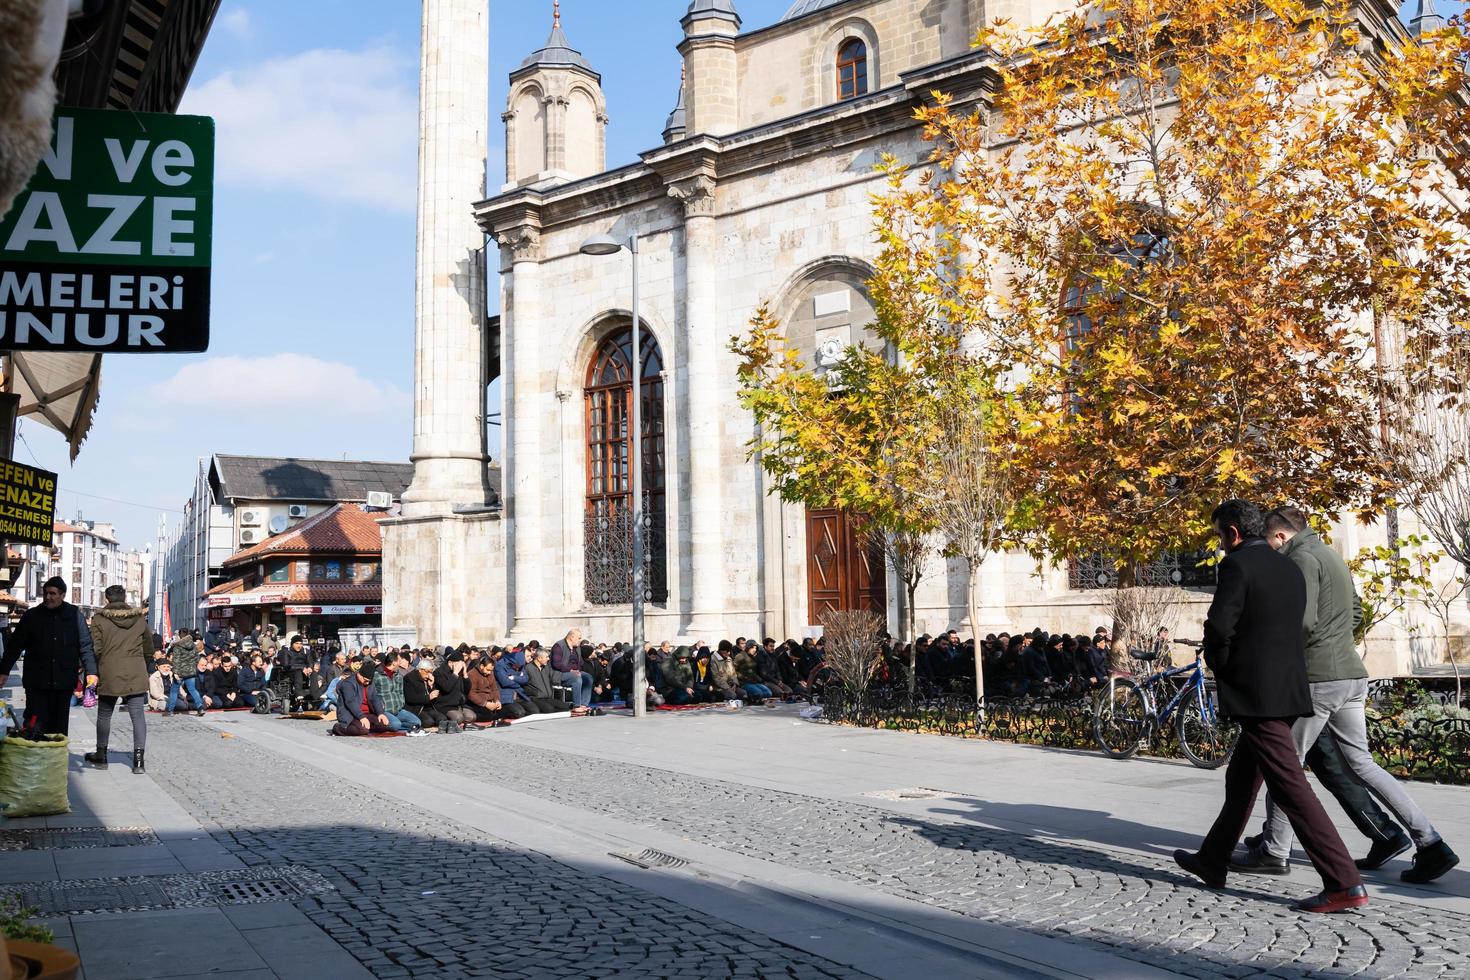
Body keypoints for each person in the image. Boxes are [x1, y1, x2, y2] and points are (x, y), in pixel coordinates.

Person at [1231, 506, 1458, 884]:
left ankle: (1274, 851)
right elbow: (1355, 610)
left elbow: (1300, 620)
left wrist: (1286, 654)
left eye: (1271, 544)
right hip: (1351, 673)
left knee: (1287, 767)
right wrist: (1337, 644)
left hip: (1320, 677)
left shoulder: (1301, 558)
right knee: (1362, 764)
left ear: (1281, 536)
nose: (1271, 551)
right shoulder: (1330, 555)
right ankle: (1432, 844)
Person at [1174, 500, 1367, 913]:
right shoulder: (1288, 565)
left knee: (1291, 786)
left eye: (1220, 536)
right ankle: (1213, 859)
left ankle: (1343, 882)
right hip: (1288, 688)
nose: (1220, 544)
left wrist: (1223, 668)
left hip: (1256, 693)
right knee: (1242, 777)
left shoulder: (1237, 566)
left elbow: (1220, 627)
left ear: (1233, 533)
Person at [0, 577, 98, 736]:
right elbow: (15, 646)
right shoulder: (32, 616)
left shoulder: (74, 615)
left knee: (59, 730)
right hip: (37, 682)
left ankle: (55, 760)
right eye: (46, 593)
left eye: (52, 593)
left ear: (63, 595)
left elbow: (85, 645)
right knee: (34, 727)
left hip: (63, 682)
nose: (48, 597)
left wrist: (92, 672)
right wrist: (4, 671)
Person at [83, 585, 152, 773]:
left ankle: (101, 756)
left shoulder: (99, 619)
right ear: (125, 599)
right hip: (135, 670)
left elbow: (95, 648)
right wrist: (142, 665)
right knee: (137, 715)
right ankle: (139, 761)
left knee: (104, 714)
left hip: (109, 671)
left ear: (107, 600)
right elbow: (148, 647)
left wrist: (93, 668)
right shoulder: (139, 618)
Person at [332, 660, 394, 736]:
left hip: (368, 713)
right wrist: (361, 717)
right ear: (359, 674)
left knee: (386, 725)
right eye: (365, 680)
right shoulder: (348, 684)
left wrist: (380, 713)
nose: (367, 683)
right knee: (362, 730)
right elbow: (351, 702)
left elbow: (375, 698)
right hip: (351, 715)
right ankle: (338, 728)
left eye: (369, 681)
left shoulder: (369, 683)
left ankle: (367, 727)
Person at [432, 650, 477, 731]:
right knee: (458, 718)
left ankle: (455, 719)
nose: (460, 667)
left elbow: (467, 689)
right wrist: (455, 673)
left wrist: (465, 674)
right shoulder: (439, 672)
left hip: (458, 705)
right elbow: (446, 688)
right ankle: (444, 721)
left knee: (472, 717)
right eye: (458, 664)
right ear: (450, 662)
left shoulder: (459, 672)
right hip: (445, 705)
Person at [549, 628, 594, 708]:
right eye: (579, 638)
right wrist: (571, 670)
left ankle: (584, 704)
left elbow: (580, 663)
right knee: (576, 678)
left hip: (574, 672)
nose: (580, 640)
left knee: (588, 678)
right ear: (572, 637)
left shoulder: (577, 648)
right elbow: (557, 664)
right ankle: (577, 706)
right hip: (559, 674)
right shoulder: (559, 646)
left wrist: (578, 670)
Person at [523, 647, 574, 714]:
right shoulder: (528, 668)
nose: (548, 659)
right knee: (549, 709)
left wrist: (570, 676)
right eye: (546, 657)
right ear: (539, 658)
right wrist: (534, 693)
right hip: (536, 698)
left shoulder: (547, 667)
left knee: (566, 706)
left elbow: (555, 677)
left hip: (548, 698)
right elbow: (524, 684)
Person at [466, 655, 506, 723]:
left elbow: (494, 689)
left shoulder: (490, 673)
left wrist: (497, 700)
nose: (489, 672)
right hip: (477, 703)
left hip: (490, 700)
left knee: (504, 711)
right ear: (482, 666)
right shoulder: (472, 674)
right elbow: (471, 693)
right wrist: (485, 703)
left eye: (491, 670)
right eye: (488, 670)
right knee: (488, 716)